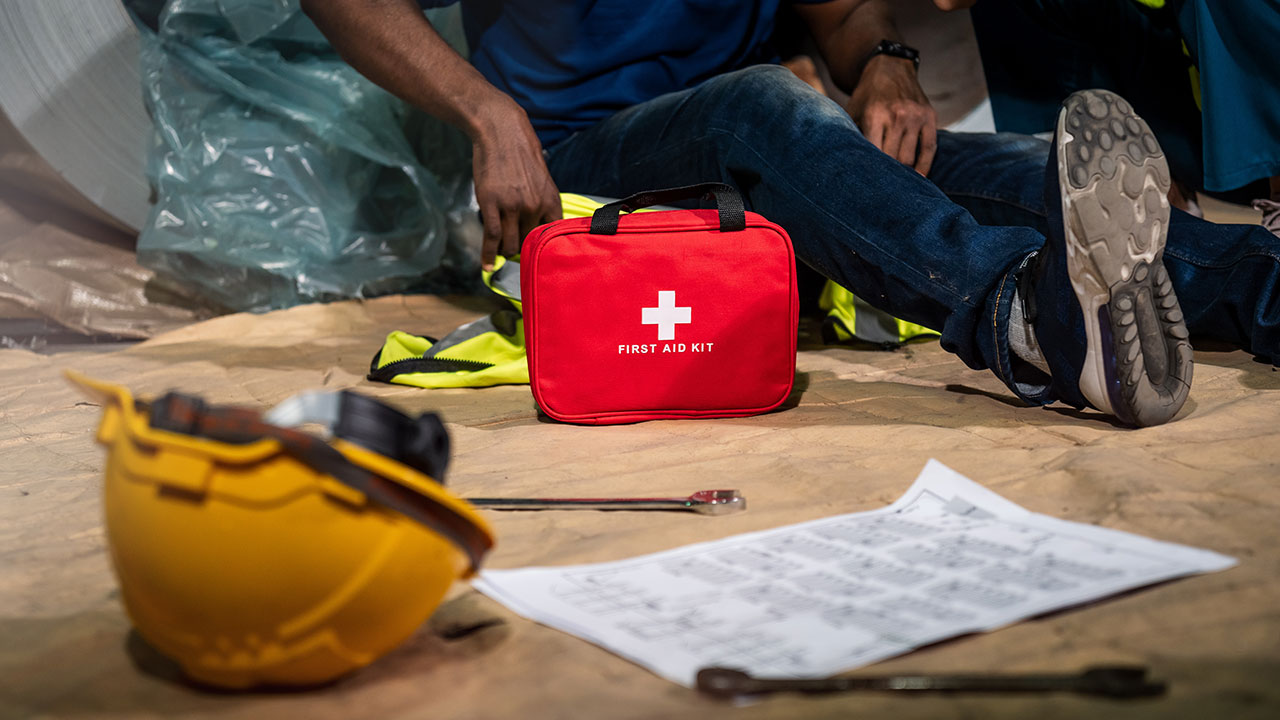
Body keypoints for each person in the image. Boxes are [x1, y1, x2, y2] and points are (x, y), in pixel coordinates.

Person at [299, 0, 1280, 427]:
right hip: (583, 174)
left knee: (1012, 167)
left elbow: (845, 17)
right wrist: (485, 110)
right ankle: (1023, 324)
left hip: (763, 155)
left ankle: (1260, 291)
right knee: (758, 101)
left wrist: (884, 68)